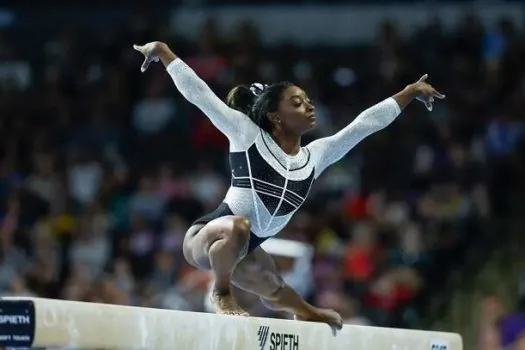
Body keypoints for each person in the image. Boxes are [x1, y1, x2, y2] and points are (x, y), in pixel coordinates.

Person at [133, 41, 445, 329]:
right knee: (239, 227)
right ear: (276, 117)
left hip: (244, 250)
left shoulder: (315, 157)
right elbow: (200, 95)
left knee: (273, 285)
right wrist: (164, 53)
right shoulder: (246, 135)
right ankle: (221, 293)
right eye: (297, 103)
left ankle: (305, 311)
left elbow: (363, 125)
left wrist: (409, 92)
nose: (309, 107)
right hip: (207, 238)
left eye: (308, 101)